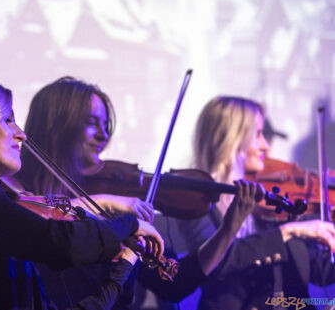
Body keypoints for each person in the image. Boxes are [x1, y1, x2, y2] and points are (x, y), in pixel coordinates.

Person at [0, 72, 167, 310]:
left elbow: (38, 222)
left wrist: (122, 267)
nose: (21, 135)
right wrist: (128, 226)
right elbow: (58, 241)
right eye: (7, 120)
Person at [14, 76, 268, 309]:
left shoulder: (116, 209)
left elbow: (174, 283)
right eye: (92, 123)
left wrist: (229, 228)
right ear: (57, 125)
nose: (104, 136)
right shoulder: (16, 191)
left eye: (106, 125)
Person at [180, 96, 335, 310]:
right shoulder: (197, 199)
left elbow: (320, 271)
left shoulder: (272, 196)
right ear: (232, 138)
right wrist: (289, 231)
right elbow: (215, 265)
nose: (265, 145)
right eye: (258, 135)